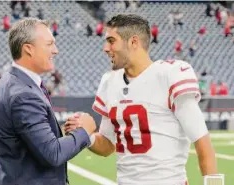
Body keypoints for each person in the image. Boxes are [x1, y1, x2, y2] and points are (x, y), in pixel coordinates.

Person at [65, 14, 218, 185]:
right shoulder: (109, 81)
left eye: (111, 40)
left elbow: (202, 142)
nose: (106, 48)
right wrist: (86, 135)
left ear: (133, 42)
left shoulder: (169, 74)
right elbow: (107, 145)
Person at [0, 18, 96, 185]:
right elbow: (53, 154)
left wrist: (58, 132)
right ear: (28, 49)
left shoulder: (14, 82)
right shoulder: (23, 94)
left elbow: (27, 141)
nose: (56, 50)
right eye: (49, 44)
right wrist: (84, 130)